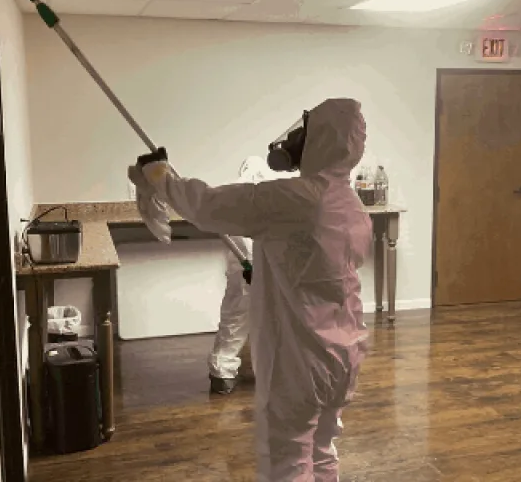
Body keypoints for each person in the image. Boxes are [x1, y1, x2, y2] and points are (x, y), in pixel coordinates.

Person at [130, 98, 371, 481]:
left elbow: (208, 206)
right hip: (344, 351)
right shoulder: (351, 204)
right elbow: (316, 267)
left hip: (300, 358)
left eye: (305, 131)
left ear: (320, 139)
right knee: (323, 448)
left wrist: (160, 176)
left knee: (288, 457)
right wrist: (267, 272)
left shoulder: (296, 197)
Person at [208, 156, 272, 395]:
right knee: (270, 316)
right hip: (255, 260)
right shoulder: (273, 193)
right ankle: (272, 372)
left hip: (247, 261)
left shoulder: (235, 195)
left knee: (237, 312)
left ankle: (222, 373)